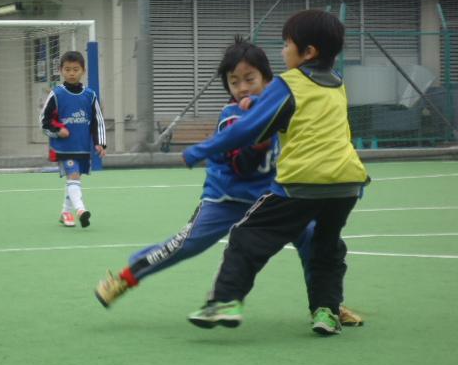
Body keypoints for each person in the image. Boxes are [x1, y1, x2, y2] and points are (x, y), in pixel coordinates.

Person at [94, 37, 363, 327]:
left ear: (268, 79)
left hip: (275, 198)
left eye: (250, 79)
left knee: (314, 240)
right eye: (234, 82)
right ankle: (124, 278)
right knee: (187, 244)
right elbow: (241, 163)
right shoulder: (232, 114)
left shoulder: (285, 103)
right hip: (227, 199)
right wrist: (253, 144)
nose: (242, 88)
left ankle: (327, 306)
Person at [183, 10, 369, 336]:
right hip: (347, 183)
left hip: (301, 183)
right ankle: (325, 312)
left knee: (246, 236)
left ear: (308, 52)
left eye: (287, 44)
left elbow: (247, 131)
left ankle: (225, 301)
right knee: (326, 246)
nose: (282, 51)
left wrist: (200, 150)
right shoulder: (338, 83)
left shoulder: (288, 83)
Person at [40, 51, 106, 228]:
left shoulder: (90, 95)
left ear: (83, 71)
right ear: (61, 71)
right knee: (74, 176)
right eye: (67, 69)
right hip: (63, 148)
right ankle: (81, 210)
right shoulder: (56, 95)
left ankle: (65, 212)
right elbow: (43, 122)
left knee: (74, 180)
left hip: (83, 147)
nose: (71, 73)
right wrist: (57, 130)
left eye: (75, 69)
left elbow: (97, 121)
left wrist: (100, 143)